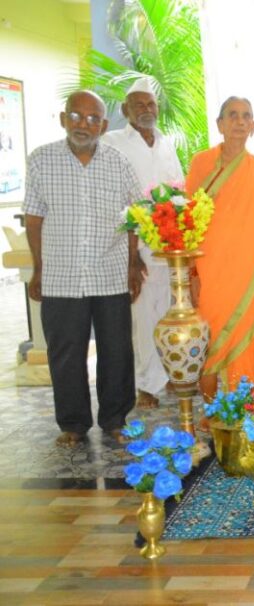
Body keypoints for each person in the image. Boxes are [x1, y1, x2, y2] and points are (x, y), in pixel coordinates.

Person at [24, 90, 144, 447]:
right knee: (65, 353)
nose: (84, 124)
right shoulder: (41, 160)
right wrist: (38, 268)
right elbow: (34, 218)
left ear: (104, 125)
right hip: (62, 276)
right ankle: (73, 424)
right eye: (76, 116)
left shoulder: (119, 162)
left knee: (117, 350)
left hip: (109, 273)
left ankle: (115, 419)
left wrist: (133, 263)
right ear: (64, 119)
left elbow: (135, 217)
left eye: (93, 119)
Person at [185, 96, 254, 401]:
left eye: (246, 116)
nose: (240, 121)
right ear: (220, 124)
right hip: (212, 266)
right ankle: (212, 411)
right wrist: (191, 271)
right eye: (233, 115)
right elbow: (189, 218)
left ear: (253, 126)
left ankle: (246, 406)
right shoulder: (202, 163)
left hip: (249, 266)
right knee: (211, 336)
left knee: (252, 333)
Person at [103, 79, 185, 410]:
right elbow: (113, 199)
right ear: (125, 110)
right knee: (141, 317)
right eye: (138, 105)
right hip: (133, 246)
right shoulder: (113, 143)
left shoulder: (166, 144)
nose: (146, 110)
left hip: (167, 246)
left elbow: (179, 192)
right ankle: (146, 385)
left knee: (169, 311)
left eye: (150, 104)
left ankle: (170, 376)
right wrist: (130, 257)